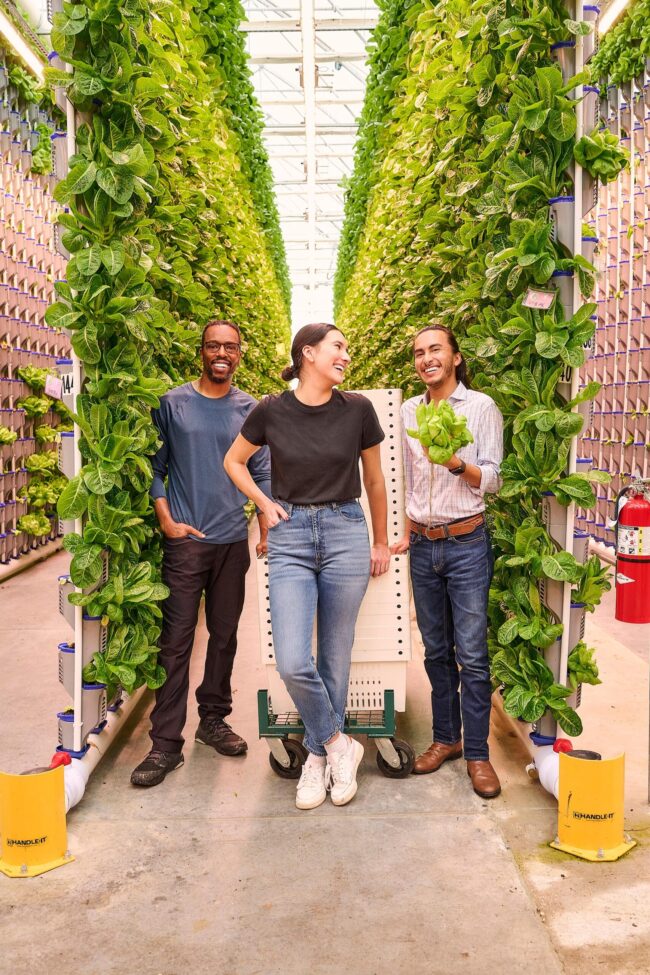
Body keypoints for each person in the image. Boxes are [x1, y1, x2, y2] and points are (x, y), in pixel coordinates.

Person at [224, 323, 391, 809]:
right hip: (291, 534)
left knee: (336, 656)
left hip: (345, 530)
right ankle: (340, 744)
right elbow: (234, 462)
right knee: (294, 658)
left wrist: (379, 539)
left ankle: (318, 760)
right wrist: (264, 503)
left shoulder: (358, 409)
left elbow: (375, 482)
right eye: (338, 346)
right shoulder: (271, 410)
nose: (346, 354)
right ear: (308, 354)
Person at [131, 319, 271, 788]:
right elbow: (155, 466)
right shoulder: (172, 403)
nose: (221, 353)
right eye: (213, 345)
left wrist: (267, 524)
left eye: (230, 346)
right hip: (187, 543)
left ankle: (213, 721)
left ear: (239, 354)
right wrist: (166, 519)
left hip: (233, 540)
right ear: (201, 352)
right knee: (176, 642)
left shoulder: (249, 409)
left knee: (225, 635)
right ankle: (165, 744)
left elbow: (263, 471)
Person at [391, 324, 503, 799]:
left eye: (435, 349)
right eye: (419, 353)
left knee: (472, 655)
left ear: (455, 357)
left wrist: (456, 462)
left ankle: (478, 753)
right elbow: (402, 480)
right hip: (423, 545)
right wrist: (400, 533)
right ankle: (446, 739)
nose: (426, 358)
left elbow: (493, 479)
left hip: (466, 543)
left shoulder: (479, 407)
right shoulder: (408, 411)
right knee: (435, 651)